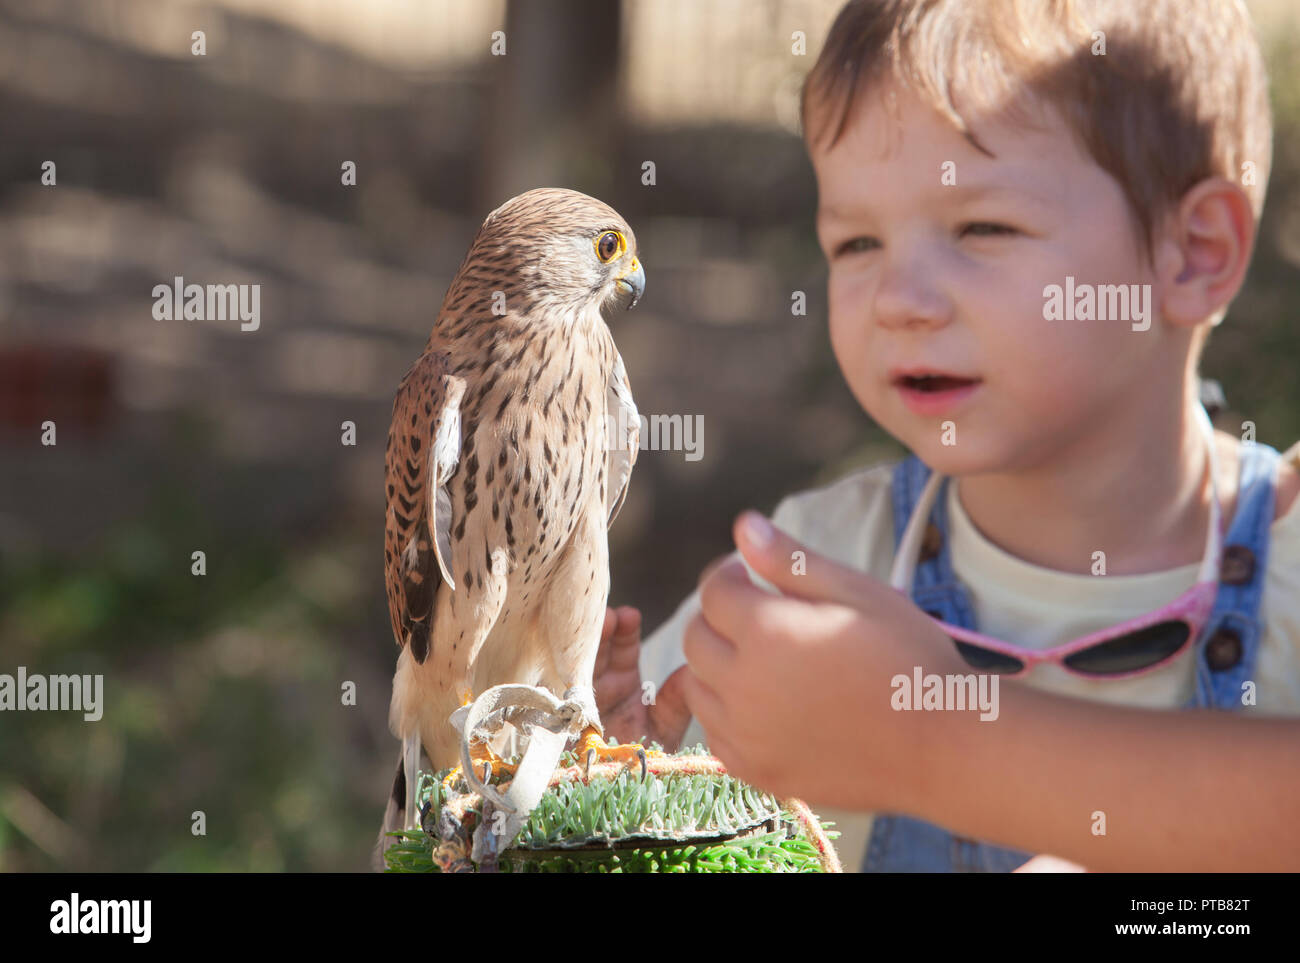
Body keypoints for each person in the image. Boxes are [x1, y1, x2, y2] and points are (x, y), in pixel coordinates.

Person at [594, 0, 1300, 871]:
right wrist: (618, 784)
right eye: (855, 244)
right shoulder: (814, 571)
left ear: (1193, 253)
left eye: (982, 228)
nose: (899, 299)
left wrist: (929, 742)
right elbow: (638, 788)